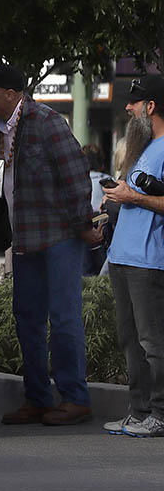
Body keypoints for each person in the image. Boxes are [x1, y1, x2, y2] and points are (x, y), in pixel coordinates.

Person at [0, 64, 99, 427]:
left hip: (59, 236)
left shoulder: (47, 122)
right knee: (27, 318)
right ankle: (39, 398)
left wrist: (82, 225)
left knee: (63, 319)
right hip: (25, 239)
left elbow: (76, 177)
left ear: (11, 94)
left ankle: (76, 398)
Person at [99, 75, 164, 437]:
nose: (127, 107)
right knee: (130, 341)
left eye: (134, 102)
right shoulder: (145, 149)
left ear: (150, 107)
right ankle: (139, 413)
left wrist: (133, 197)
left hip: (150, 260)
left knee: (153, 343)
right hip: (124, 257)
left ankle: (160, 414)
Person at [82, 144, 110, 276]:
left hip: (84, 225)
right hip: (102, 224)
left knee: (85, 268)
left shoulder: (80, 181)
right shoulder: (107, 180)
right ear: (102, 163)